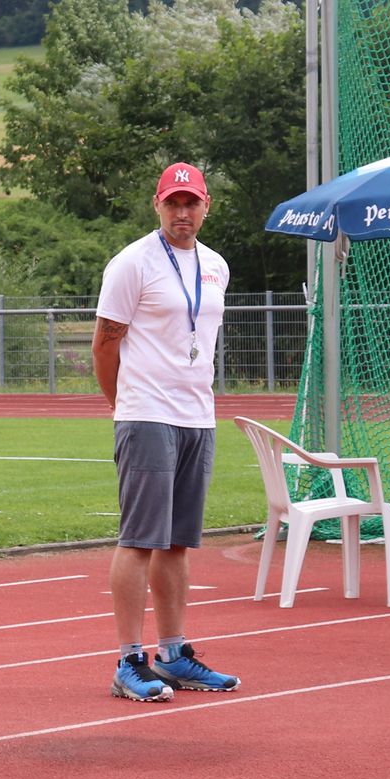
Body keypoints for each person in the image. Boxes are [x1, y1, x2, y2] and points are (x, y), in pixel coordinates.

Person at [91, 162, 240, 703]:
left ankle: (174, 655)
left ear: (206, 206)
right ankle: (129, 659)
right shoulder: (133, 263)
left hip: (197, 414)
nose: (183, 212)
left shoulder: (217, 266)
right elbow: (105, 344)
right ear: (158, 205)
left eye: (192, 202)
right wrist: (124, 405)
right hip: (147, 413)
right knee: (139, 539)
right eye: (173, 202)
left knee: (177, 543)